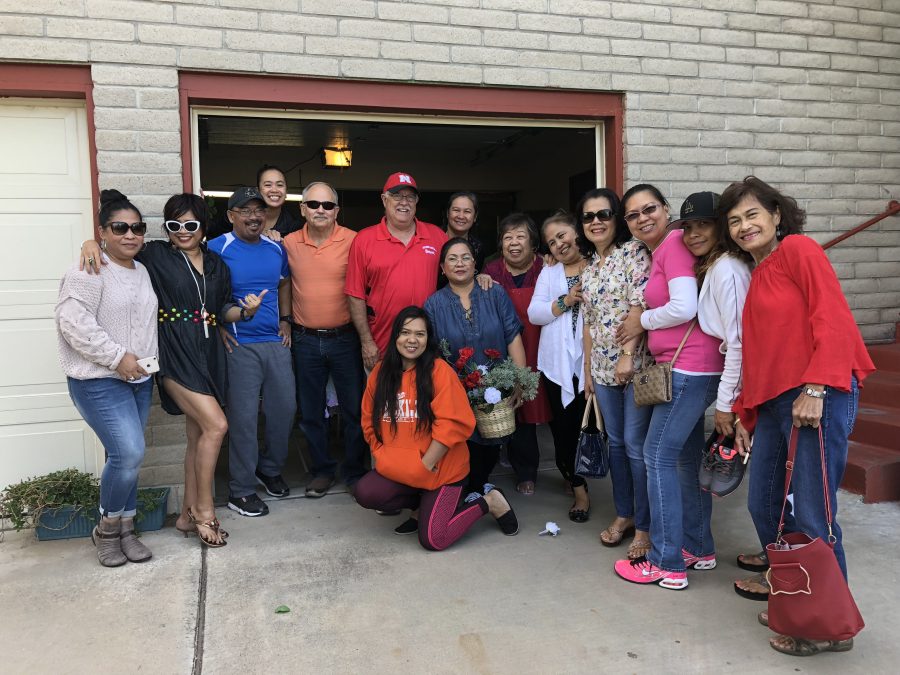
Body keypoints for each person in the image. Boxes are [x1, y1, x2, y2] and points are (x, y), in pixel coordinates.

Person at [723, 177, 874, 656]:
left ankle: (829, 626)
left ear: (776, 215)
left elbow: (832, 316)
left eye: (751, 214)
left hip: (814, 397)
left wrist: (816, 386)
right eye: (734, 221)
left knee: (812, 513)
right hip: (774, 406)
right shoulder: (759, 274)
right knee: (764, 506)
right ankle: (797, 601)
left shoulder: (799, 251)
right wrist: (745, 414)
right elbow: (762, 354)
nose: (744, 226)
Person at [81, 193, 266, 547]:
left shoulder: (216, 264)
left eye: (191, 224)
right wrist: (91, 242)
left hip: (210, 353)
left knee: (198, 436)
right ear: (166, 228)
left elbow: (222, 309)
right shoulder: (155, 255)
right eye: (174, 225)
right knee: (217, 425)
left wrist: (246, 312)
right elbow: (118, 245)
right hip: (174, 353)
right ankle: (205, 512)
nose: (183, 231)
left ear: (203, 227)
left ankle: (184, 515)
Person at [612, 184, 724, 590]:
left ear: (665, 209)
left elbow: (684, 307)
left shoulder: (674, 244)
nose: (642, 219)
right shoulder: (667, 248)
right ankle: (698, 548)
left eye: (650, 209)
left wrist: (640, 321)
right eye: (633, 214)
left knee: (656, 456)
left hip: (689, 368)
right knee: (683, 460)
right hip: (689, 368)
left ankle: (666, 562)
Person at [354, 306, 519, 549]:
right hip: (401, 467)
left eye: (419, 334)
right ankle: (420, 506)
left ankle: (490, 501)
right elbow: (369, 421)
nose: (412, 340)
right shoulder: (380, 373)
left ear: (427, 339)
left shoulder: (439, 371)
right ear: (395, 336)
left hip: (440, 471)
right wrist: (382, 455)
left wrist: (425, 464)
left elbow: (452, 424)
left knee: (434, 539)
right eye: (405, 332)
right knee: (367, 492)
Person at [58, 190, 158, 566]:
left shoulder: (142, 270)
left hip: (139, 379)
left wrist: (144, 363)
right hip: (98, 379)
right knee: (127, 453)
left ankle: (127, 529)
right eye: (120, 228)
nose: (130, 235)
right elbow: (73, 323)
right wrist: (117, 358)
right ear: (102, 232)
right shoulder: (88, 269)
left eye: (137, 228)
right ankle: (107, 529)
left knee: (129, 458)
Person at [209, 187, 296, 518]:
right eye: (245, 211)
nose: (254, 216)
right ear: (231, 216)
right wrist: (218, 324)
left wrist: (285, 319)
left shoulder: (276, 249)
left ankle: (269, 468)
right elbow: (204, 292)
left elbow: (283, 283)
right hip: (239, 344)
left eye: (259, 210)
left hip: (275, 341)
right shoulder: (216, 248)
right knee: (243, 419)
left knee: (285, 409)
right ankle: (241, 490)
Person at [578, 188, 653, 558]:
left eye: (603, 214)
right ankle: (624, 513)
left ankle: (645, 526)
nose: (596, 222)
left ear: (616, 218)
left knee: (637, 448)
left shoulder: (634, 252)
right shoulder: (589, 267)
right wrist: (589, 372)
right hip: (602, 371)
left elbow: (641, 304)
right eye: (588, 216)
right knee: (618, 445)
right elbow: (589, 323)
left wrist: (626, 355)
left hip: (635, 367)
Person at [283, 181, 369, 498]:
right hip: (305, 340)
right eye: (314, 204)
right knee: (310, 413)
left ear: (336, 211)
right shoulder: (288, 243)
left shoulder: (355, 240)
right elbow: (281, 283)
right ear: (302, 209)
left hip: (345, 338)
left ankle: (355, 472)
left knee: (354, 411)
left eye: (328, 205)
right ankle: (322, 471)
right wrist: (284, 321)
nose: (321, 210)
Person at [425, 238, 526, 501]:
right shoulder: (433, 305)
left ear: (475, 264)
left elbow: (512, 336)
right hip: (454, 390)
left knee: (491, 440)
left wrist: (519, 380)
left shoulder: (495, 293)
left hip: (496, 388)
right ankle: (467, 492)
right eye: (452, 259)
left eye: (465, 257)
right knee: (462, 441)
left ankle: (478, 488)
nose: (459, 263)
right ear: (442, 268)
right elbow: (431, 354)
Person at [345, 172, 448, 370]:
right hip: (381, 345)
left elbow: (458, 272)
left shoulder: (436, 236)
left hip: (425, 345)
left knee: (425, 390)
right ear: (384, 200)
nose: (404, 202)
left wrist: (481, 277)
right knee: (382, 390)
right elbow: (355, 295)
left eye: (410, 197)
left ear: (416, 202)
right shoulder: (364, 240)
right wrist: (367, 341)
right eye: (397, 196)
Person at [528, 212, 590, 523]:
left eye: (562, 235)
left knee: (592, 430)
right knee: (564, 433)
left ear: (577, 231)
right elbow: (535, 313)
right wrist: (565, 301)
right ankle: (580, 492)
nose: (558, 244)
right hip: (558, 366)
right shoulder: (549, 272)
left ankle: (591, 474)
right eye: (551, 242)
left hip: (595, 365)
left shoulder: (600, 265)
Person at [484, 214, 551, 495]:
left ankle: (571, 471)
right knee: (515, 407)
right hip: (507, 348)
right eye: (508, 237)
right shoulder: (490, 271)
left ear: (533, 242)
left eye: (520, 236)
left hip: (544, 346)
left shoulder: (547, 266)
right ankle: (525, 471)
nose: (514, 242)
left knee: (554, 407)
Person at [444, 191, 485, 272]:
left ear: (475, 217)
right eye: (456, 210)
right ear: (447, 213)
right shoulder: (432, 240)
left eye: (467, 211)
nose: (461, 216)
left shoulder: (477, 247)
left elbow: (474, 274)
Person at [258, 164, 302, 237]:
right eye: (268, 185)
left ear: (286, 192)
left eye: (280, 185)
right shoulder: (244, 219)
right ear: (258, 191)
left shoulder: (296, 226)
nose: (274, 190)